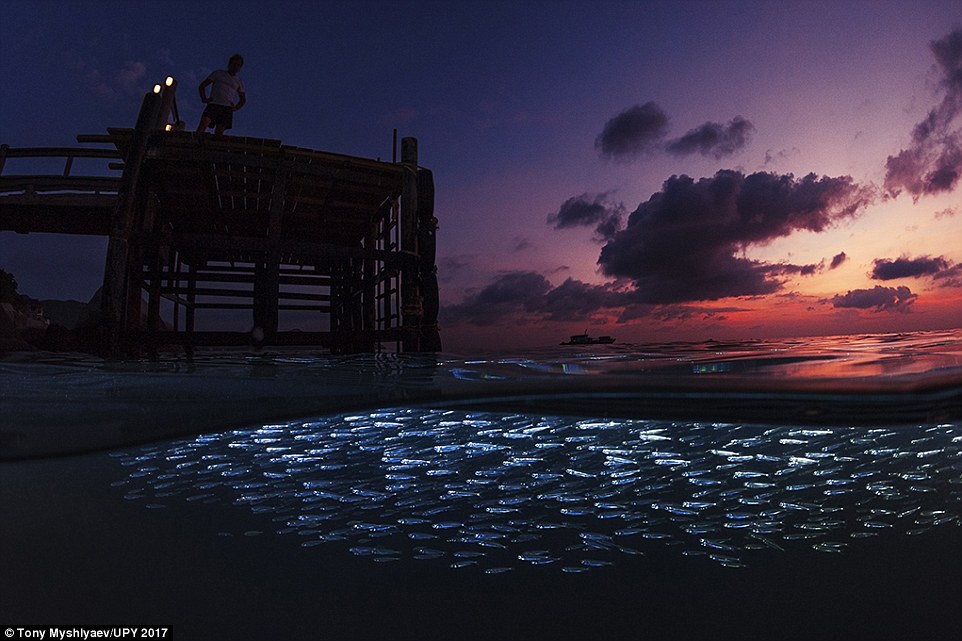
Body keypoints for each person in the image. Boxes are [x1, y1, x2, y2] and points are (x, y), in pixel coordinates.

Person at [196, 54, 246, 135]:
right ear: (229, 64)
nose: (235, 67)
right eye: (234, 64)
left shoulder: (239, 81)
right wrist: (204, 98)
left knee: (219, 131)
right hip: (214, 104)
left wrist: (236, 107)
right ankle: (195, 143)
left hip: (226, 107)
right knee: (204, 123)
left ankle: (214, 146)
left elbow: (243, 99)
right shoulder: (218, 73)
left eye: (238, 65)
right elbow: (202, 86)